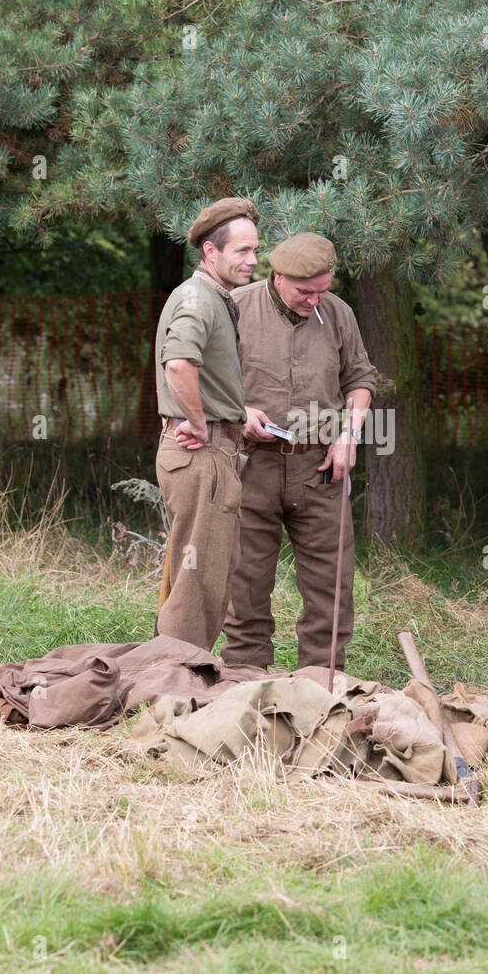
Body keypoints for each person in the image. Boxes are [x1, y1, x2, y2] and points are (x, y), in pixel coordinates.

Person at [216, 232, 378, 670]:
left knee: (332, 582)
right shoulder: (236, 307)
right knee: (245, 579)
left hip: (320, 467)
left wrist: (349, 436)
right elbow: (207, 378)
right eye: (306, 292)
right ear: (277, 276)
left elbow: (361, 380)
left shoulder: (337, 311)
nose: (315, 300)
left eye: (323, 290)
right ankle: (245, 678)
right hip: (251, 463)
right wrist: (240, 411)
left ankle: (321, 684)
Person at [154, 197, 259, 651]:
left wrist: (237, 413)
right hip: (200, 452)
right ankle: (176, 688)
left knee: (204, 576)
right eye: (242, 251)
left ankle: (178, 676)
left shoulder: (214, 298)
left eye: (256, 250)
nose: (253, 260)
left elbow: (204, 373)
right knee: (197, 583)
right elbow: (178, 364)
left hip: (213, 450)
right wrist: (198, 422)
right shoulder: (198, 297)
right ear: (210, 253)